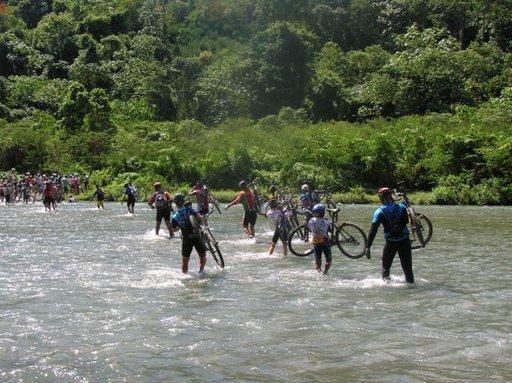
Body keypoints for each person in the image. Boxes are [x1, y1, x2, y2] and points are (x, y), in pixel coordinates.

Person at [365, 187, 414, 284]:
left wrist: (368, 247)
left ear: (381, 198)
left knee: (385, 267)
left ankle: (386, 288)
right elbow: (406, 221)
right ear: (390, 196)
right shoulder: (402, 207)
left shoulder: (379, 212)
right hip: (404, 241)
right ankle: (411, 286)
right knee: (407, 268)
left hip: (390, 242)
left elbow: (373, 230)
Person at [171, 194, 207, 274]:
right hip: (198, 236)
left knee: (185, 260)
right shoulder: (190, 209)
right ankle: (201, 271)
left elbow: (175, 230)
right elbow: (200, 219)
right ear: (183, 201)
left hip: (186, 238)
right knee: (202, 255)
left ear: (176, 204)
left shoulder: (174, 216)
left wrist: (180, 227)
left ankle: (184, 276)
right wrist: (201, 225)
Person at [308, 204, 332, 275]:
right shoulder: (326, 222)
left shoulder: (311, 221)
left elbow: (309, 228)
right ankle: (325, 273)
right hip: (325, 242)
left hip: (316, 242)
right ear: (323, 213)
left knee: (318, 260)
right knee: (328, 260)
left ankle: (318, 272)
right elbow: (330, 230)